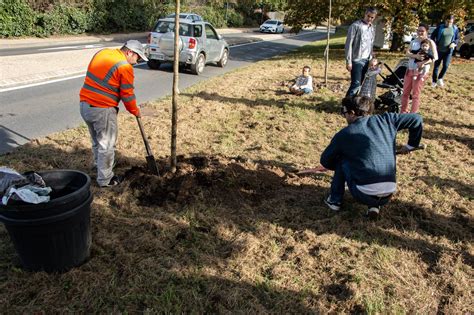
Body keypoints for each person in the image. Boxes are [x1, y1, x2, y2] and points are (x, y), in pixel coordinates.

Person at [320, 96, 423, 219]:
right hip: (388, 193)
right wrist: (412, 145)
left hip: (363, 193)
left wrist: (344, 165)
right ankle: (374, 206)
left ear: (352, 113)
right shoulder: (387, 119)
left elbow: (325, 161)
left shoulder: (345, 134)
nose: (344, 116)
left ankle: (334, 201)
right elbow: (417, 118)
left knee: (341, 159)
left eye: (344, 112)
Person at [79, 40, 148, 187]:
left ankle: (100, 166)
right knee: (107, 144)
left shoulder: (103, 53)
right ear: (129, 52)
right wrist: (135, 111)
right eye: (137, 58)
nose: (137, 62)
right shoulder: (124, 66)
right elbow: (127, 95)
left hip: (85, 106)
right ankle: (106, 179)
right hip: (102, 109)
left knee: (97, 141)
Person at [401, 24, 438, 113]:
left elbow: (435, 57)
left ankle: (413, 114)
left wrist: (423, 62)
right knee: (405, 93)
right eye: (418, 30)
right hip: (410, 69)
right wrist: (415, 56)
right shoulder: (413, 41)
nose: (420, 32)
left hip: (420, 72)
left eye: (422, 31)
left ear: (427, 31)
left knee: (415, 95)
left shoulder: (430, 42)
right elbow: (407, 53)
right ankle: (403, 112)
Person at [345, 7, 378, 97]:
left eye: (372, 17)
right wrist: (348, 62)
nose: (370, 19)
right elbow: (348, 45)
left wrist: (372, 58)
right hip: (356, 60)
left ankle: (353, 105)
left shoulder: (372, 28)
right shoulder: (355, 26)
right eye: (368, 16)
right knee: (356, 84)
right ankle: (345, 106)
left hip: (367, 60)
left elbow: (370, 44)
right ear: (365, 14)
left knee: (360, 85)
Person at [431, 15, 460, 88]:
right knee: (436, 66)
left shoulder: (455, 28)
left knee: (446, 66)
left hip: (448, 51)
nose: (449, 23)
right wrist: (434, 45)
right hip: (439, 50)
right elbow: (432, 36)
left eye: (451, 22)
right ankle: (434, 81)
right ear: (445, 20)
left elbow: (457, 38)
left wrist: (454, 43)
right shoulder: (440, 27)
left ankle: (440, 78)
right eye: (448, 22)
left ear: (452, 22)